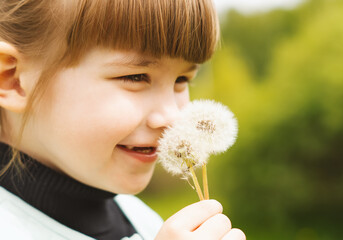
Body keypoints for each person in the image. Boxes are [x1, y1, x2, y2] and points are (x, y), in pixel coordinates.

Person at [0, 0, 246, 239]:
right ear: (12, 79)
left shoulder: (144, 220)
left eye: (181, 80)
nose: (172, 117)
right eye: (136, 77)